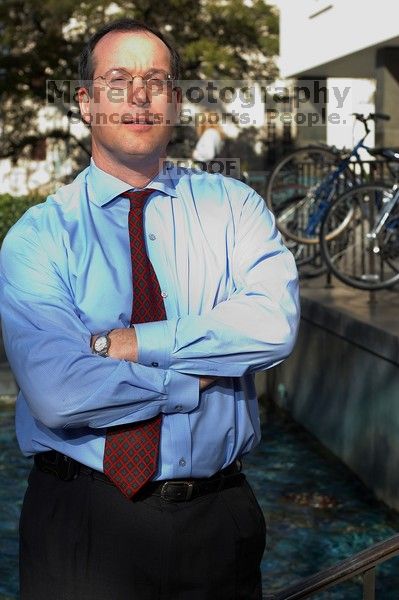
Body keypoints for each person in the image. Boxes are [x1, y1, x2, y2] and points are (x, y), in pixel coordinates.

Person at [0, 18, 299, 600]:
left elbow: (273, 326)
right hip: (80, 525)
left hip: (218, 522)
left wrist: (135, 343)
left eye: (156, 81)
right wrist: (206, 369)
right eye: (118, 80)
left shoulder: (233, 208)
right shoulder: (41, 235)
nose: (138, 96)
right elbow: (59, 393)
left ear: (177, 104)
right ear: (86, 102)